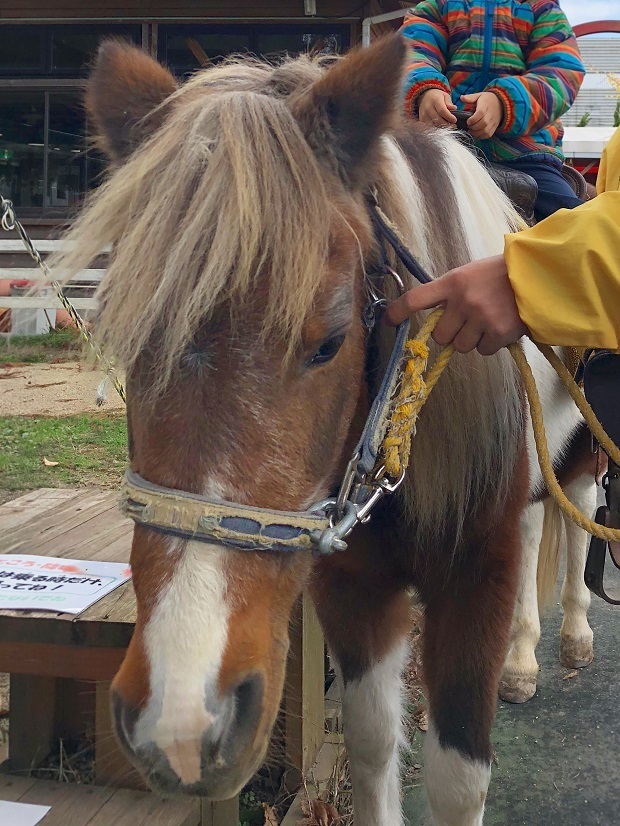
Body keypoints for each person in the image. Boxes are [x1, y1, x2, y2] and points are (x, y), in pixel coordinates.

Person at [385, 127, 620, 355]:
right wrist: (427, 91)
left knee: (566, 209)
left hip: (526, 152)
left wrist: (536, 276)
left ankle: (580, 353)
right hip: (436, 139)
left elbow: (554, 88)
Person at [400, 0, 586, 221]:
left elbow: (561, 74)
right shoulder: (438, 6)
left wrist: (504, 102)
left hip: (526, 153)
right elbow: (410, 53)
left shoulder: (541, 9)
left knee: (570, 222)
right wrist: (424, 90)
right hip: (444, 147)